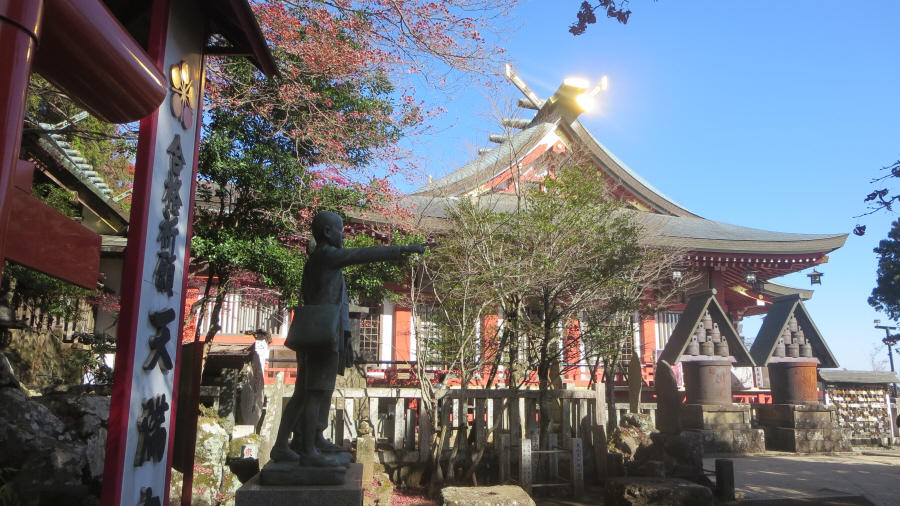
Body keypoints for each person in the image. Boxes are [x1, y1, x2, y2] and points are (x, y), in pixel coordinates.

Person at [270, 211, 425, 466]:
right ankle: (308, 452)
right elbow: (363, 255)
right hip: (323, 334)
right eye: (341, 229)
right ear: (328, 232)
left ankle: (291, 444)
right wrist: (404, 249)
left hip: (314, 333)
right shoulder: (327, 256)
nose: (344, 234)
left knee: (304, 393)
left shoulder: (315, 261)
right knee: (315, 393)